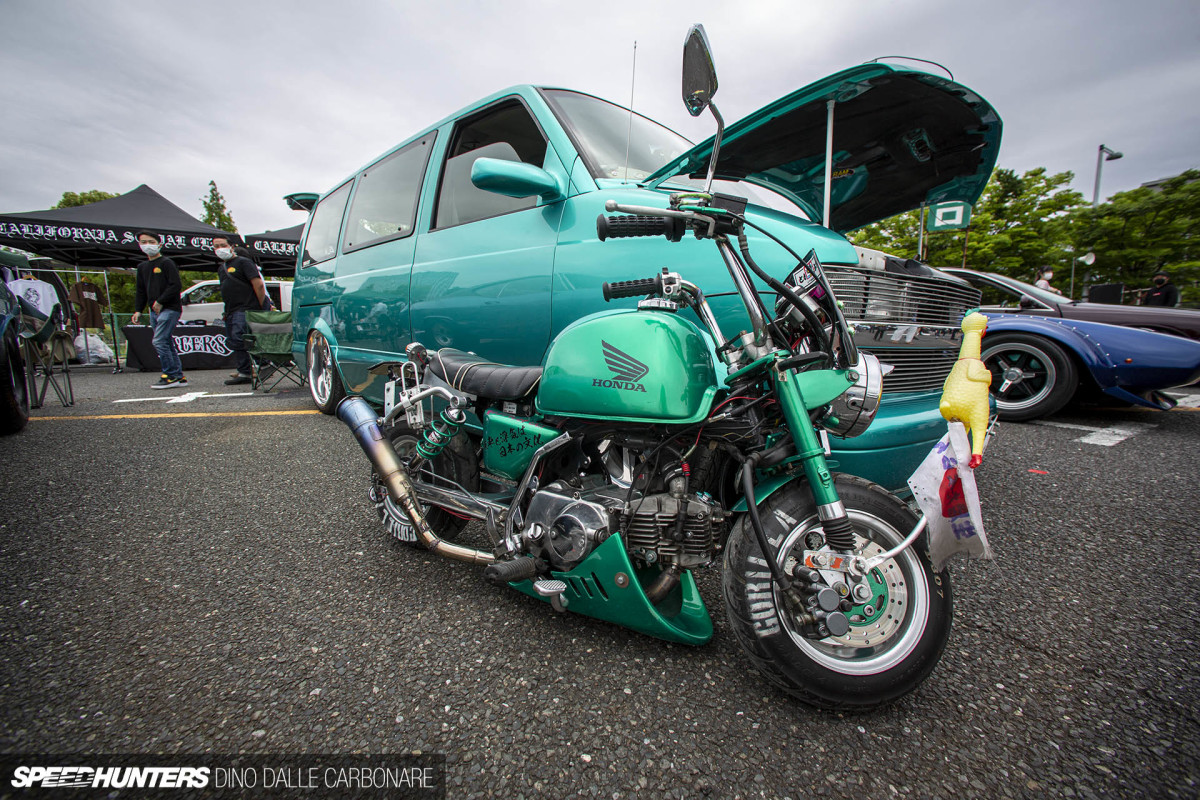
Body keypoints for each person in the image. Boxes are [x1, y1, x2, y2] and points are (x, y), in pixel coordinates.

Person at [213, 235, 272, 385]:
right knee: (234, 339)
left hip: (245, 308)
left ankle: (258, 364)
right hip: (231, 310)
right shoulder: (222, 268)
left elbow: (258, 284)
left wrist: (258, 306)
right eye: (216, 246)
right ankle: (245, 370)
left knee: (240, 337)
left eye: (222, 245)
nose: (220, 249)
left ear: (232, 246)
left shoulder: (243, 262)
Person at [131, 230, 186, 388]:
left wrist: (161, 301)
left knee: (159, 341)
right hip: (153, 311)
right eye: (143, 242)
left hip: (170, 308)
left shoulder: (167, 263)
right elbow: (141, 290)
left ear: (159, 244)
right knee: (166, 342)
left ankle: (169, 375)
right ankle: (178, 375)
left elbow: (176, 285)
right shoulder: (142, 267)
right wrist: (138, 310)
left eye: (151, 242)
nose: (147, 245)